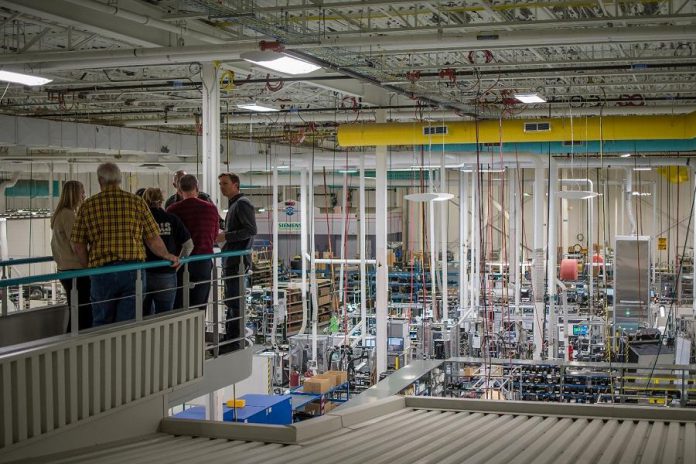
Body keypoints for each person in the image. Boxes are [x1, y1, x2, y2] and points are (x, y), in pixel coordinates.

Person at [71, 162, 179, 326]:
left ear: (100, 180)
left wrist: (88, 268)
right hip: (132, 271)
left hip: (101, 272)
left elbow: (78, 243)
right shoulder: (136, 202)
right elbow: (152, 238)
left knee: (102, 321)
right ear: (119, 179)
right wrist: (166, 255)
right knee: (128, 323)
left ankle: (104, 350)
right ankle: (125, 351)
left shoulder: (88, 205)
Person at [167, 174, 219, 310]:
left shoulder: (172, 210)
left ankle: (181, 331)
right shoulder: (211, 209)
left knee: (179, 304)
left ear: (179, 189)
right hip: (203, 262)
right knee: (200, 305)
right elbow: (214, 236)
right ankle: (199, 330)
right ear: (197, 187)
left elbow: (170, 240)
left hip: (181, 263)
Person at [216, 172, 257, 350]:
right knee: (231, 301)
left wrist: (226, 235)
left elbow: (250, 230)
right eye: (220, 184)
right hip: (231, 259)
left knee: (234, 301)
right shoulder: (234, 205)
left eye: (225, 183)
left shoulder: (242, 204)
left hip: (237, 260)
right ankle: (231, 336)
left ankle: (233, 340)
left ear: (235, 185)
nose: (221, 187)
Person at [142, 188, 193, 314]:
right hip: (166, 273)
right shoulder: (172, 219)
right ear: (161, 201)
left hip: (143, 273)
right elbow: (189, 245)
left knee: (143, 316)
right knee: (165, 315)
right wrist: (177, 264)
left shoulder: (141, 220)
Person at [50, 180, 92, 331]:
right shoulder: (68, 215)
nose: (84, 195)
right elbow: (77, 245)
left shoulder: (59, 214)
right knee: (82, 312)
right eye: (82, 192)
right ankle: (76, 341)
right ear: (74, 194)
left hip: (64, 269)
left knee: (76, 309)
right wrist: (89, 268)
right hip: (76, 270)